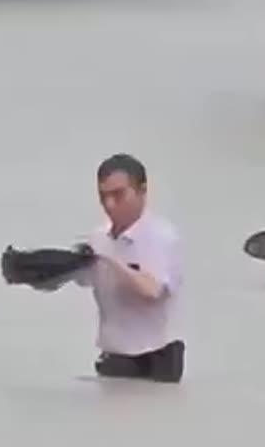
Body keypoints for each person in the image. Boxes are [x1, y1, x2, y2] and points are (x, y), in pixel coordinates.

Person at [70, 153, 185, 383]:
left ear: (142, 191)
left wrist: (110, 260)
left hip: (157, 357)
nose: (109, 204)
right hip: (114, 353)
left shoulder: (163, 237)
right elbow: (83, 279)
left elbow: (152, 290)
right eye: (103, 196)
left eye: (118, 195)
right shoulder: (97, 237)